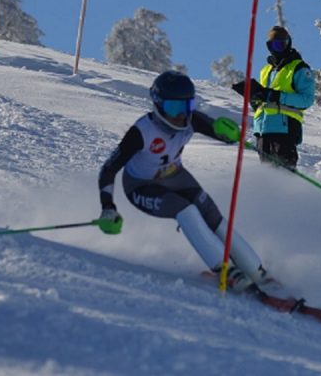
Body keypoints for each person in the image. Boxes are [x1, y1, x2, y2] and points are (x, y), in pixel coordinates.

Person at [96, 70, 268, 292]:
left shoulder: (191, 120)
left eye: (186, 107)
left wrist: (230, 134)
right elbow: (108, 169)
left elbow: (218, 132)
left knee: (209, 210)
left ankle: (255, 269)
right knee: (185, 209)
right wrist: (107, 207)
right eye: (174, 108)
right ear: (158, 105)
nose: (181, 116)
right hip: (141, 187)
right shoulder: (142, 132)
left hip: (175, 176)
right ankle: (225, 270)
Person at [232, 25, 315, 169]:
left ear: (288, 43)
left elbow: (306, 100)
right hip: (263, 130)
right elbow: (263, 99)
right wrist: (254, 97)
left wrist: (275, 96)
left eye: (281, 44)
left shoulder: (298, 68)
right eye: (273, 45)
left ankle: (290, 189)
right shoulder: (266, 70)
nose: (277, 49)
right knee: (267, 175)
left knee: (284, 171)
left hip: (285, 128)